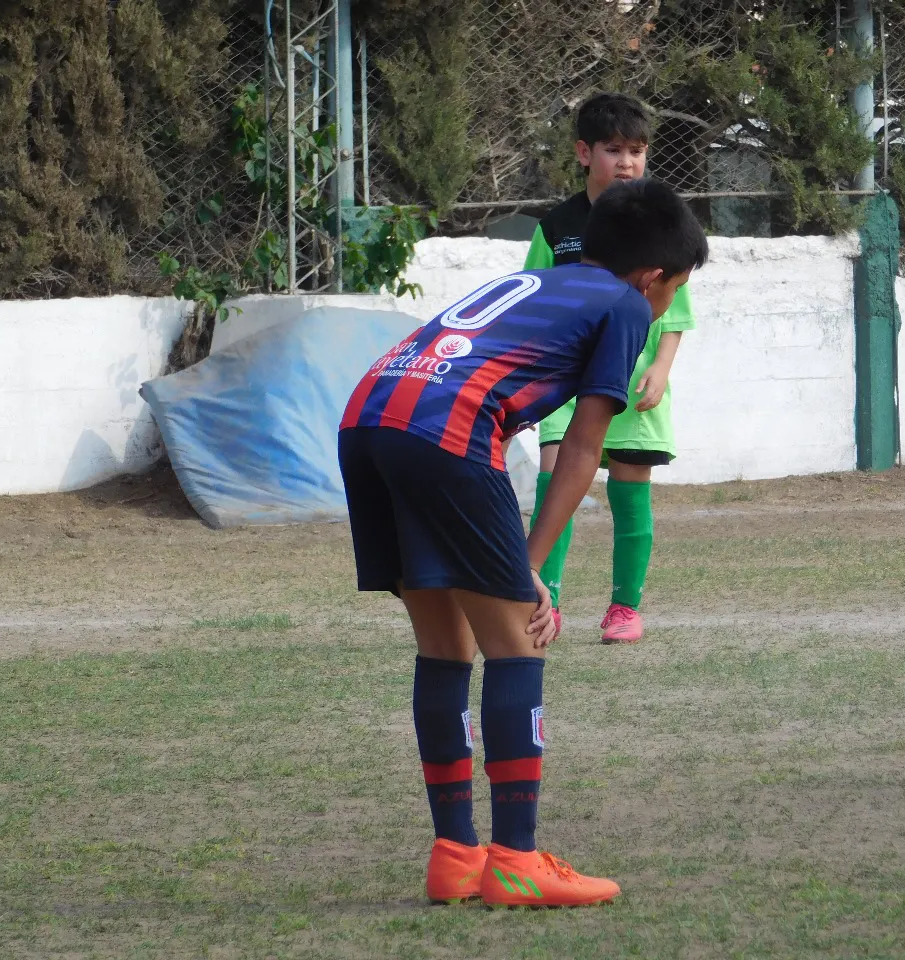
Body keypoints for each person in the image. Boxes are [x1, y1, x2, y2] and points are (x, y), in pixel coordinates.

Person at [338, 179, 708, 907]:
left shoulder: (535, 280)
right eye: (676, 289)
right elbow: (583, 448)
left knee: (445, 647)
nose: (667, 305)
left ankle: (454, 855)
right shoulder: (627, 306)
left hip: (369, 418)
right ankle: (514, 860)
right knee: (518, 642)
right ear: (652, 277)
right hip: (447, 429)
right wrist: (528, 565)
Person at [524, 92, 698, 644]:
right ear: (584, 153)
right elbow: (535, 299)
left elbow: (676, 310)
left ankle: (625, 607)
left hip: (632, 379)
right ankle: (544, 600)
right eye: (614, 150)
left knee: (630, 486)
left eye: (637, 151)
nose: (626, 162)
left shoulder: (660, 222)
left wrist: (660, 368)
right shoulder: (556, 228)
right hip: (566, 383)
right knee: (556, 474)